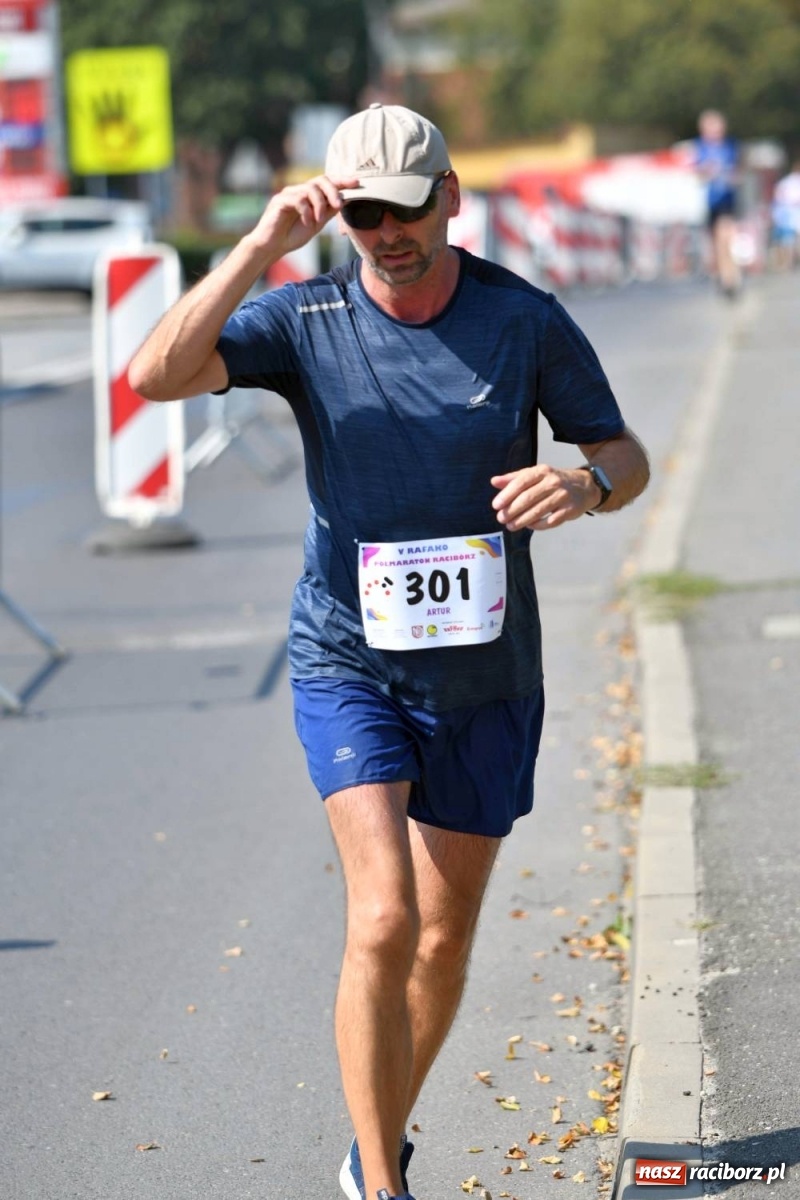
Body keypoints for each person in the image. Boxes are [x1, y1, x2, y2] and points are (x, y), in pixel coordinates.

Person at [129, 103, 650, 1200]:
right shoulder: (301, 318)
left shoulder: (522, 322)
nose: (385, 233)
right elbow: (156, 378)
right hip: (346, 656)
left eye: (404, 210)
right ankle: (380, 1185)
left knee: (440, 944)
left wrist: (585, 481)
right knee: (382, 917)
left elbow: (621, 449)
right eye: (361, 213)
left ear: (449, 197)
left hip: (485, 677)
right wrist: (256, 247)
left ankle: (379, 1139)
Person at [691, 109, 742, 297]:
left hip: (728, 200)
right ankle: (724, 275)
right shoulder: (700, 147)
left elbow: (739, 171)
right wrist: (707, 171)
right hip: (711, 201)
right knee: (717, 242)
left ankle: (731, 277)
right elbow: (696, 173)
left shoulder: (731, 146)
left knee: (726, 238)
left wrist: (733, 177)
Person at [770, 160, 800, 271]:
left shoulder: (787, 182)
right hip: (788, 216)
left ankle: (788, 262)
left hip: (788, 216)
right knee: (787, 241)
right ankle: (787, 262)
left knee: (788, 241)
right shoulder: (789, 182)